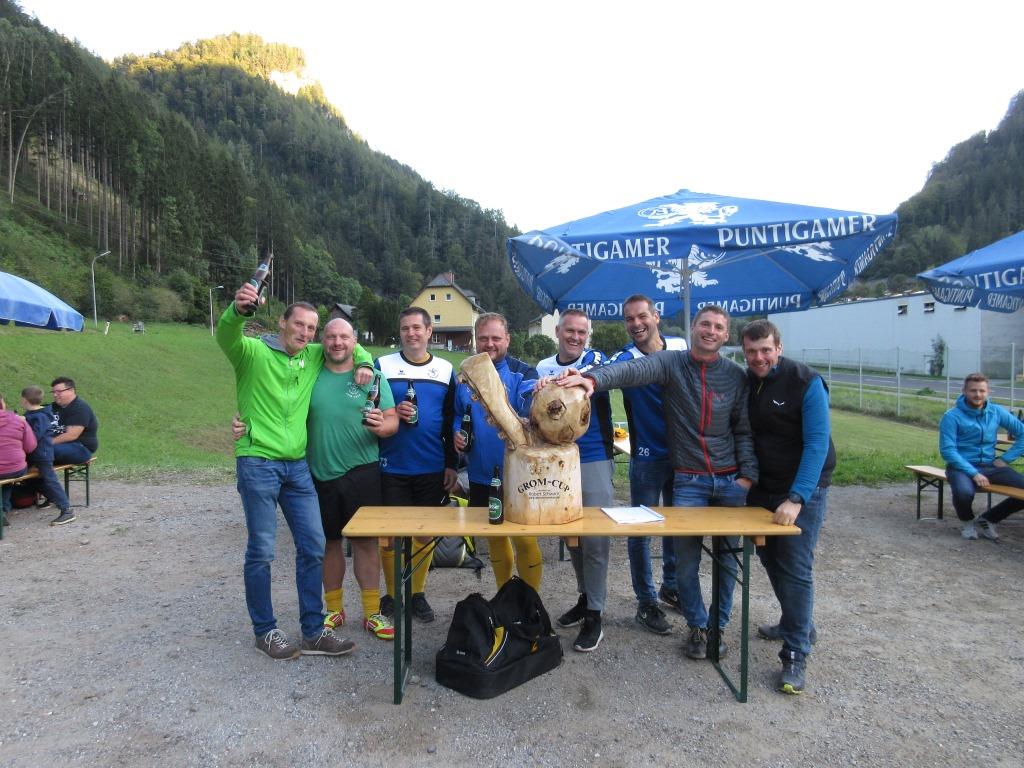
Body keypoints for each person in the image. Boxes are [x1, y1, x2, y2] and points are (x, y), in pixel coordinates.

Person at [557, 304, 757, 661]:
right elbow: (631, 369)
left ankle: (719, 626)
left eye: (718, 327)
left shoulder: (735, 375)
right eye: (705, 324)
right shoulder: (671, 362)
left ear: (726, 335)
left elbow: (744, 429)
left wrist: (746, 478)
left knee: (728, 561)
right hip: (689, 478)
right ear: (693, 328)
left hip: (729, 480)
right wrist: (592, 380)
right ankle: (697, 626)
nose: (710, 331)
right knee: (685, 559)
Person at [217, 281, 372, 661]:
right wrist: (238, 310)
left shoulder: (313, 355)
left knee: (314, 545)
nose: (305, 333)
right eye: (299, 324)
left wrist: (366, 361)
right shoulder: (251, 352)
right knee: (262, 549)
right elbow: (226, 333)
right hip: (258, 461)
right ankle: (265, 631)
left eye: (311, 328)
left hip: (297, 465)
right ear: (282, 323)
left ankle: (313, 631)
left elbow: (347, 343)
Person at [741, 319, 835, 694]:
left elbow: (817, 444)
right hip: (763, 486)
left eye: (766, 350)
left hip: (802, 488)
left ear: (778, 348)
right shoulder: (748, 381)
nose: (759, 357)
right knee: (769, 558)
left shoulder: (806, 382)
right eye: (751, 351)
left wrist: (797, 498)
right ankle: (798, 622)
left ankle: (795, 652)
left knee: (795, 565)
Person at [306, 318, 400, 641]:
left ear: (354, 341)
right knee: (329, 542)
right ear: (323, 340)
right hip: (320, 470)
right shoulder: (311, 371)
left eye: (344, 337)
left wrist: (382, 426)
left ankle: (372, 613)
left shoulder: (372, 376)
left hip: (362, 470)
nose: (337, 342)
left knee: (365, 543)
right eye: (331, 336)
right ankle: (334, 609)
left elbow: (392, 421)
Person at [536, 309, 615, 653]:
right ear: (557, 331)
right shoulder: (543, 367)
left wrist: (574, 375)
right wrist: (538, 389)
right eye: (570, 330)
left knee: (595, 538)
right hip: (559, 460)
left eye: (582, 332)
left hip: (593, 456)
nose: (575, 337)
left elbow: (596, 366)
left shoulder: (595, 360)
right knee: (572, 537)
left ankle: (595, 614)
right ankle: (585, 598)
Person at [375, 307, 459, 623]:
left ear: (428, 332)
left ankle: (417, 594)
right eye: (405, 328)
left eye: (416, 328)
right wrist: (392, 412)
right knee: (391, 536)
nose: (411, 333)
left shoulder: (445, 370)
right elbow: (369, 407)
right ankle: (392, 594)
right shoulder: (382, 365)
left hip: (431, 466)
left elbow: (450, 420)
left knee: (424, 535)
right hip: (391, 465)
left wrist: (452, 464)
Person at [610, 295, 687, 635]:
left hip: (684, 457)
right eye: (629, 319)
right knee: (640, 531)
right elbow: (601, 375)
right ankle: (646, 601)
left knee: (677, 526)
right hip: (645, 457)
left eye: (642, 316)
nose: (636, 323)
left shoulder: (681, 347)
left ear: (656, 316)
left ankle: (672, 585)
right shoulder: (624, 358)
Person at [453, 312, 542, 591]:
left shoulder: (524, 373)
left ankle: (529, 602)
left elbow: (531, 406)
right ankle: (505, 597)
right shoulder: (464, 376)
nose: (489, 344)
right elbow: (457, 414)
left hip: (518, 475)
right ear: (475, 340)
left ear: (507, 339)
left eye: (495, 338)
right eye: (483, 338)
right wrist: (457, 432)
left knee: (524, 538)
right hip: (480, 473)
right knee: (494, 536)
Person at [940, 372, 1024, 541]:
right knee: (963, 492)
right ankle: (967, 522)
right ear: (964, 391)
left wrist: (1005, 459)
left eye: (982, 391)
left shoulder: (996, 411)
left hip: (990, 466)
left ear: (988, 392)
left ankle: (989, 519)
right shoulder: (951, 416)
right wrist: (974, 473)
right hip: (961, 467)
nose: (978, 395)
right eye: (973, 390)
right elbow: (948, 451)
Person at [20, 386, 75, 526]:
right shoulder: (31, 414)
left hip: (42, 454)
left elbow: (34, 437)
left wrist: (23, 424)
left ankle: (67, 510)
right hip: (34, 455)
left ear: (24, 400)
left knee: (50, 480)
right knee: (31, 479)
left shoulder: (41, 417)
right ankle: (52, 499)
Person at [1, 393, 37, 525]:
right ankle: (4, 509)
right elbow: (30, 447)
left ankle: (3, 509)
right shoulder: (18, 420)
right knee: (6, 475)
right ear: (2, 403)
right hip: (15, 468)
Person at [48, 377, 98, 465]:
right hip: (60, 445)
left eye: (59, 392)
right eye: (53, 392)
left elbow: (71, 435)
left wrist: (46, 443)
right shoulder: (52, 407)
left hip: (80, 447)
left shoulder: (80, 408)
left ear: (71, 390)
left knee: (45, 451)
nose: (55, 395)